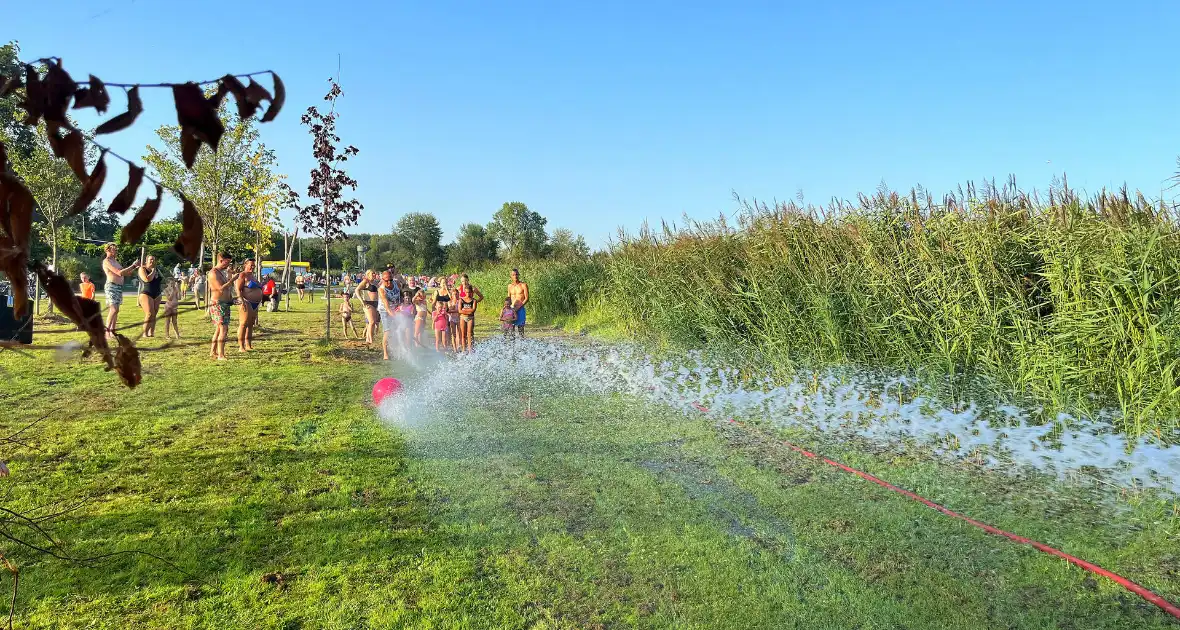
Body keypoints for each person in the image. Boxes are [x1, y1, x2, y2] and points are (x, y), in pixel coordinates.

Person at [101, 243, 140, 338]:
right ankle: (107, 332)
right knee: (113, 309)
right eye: (113, 249)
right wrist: (132, 265)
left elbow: (127, 273)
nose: (115, 251)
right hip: (111, 286)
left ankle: (112, 332)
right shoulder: (106, 261)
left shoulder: (116, 262)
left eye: (116, 249)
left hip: (118, 287)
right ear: (107, 250)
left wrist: (135, 267)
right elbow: (119, 273)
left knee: (116, 310)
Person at [207, 252, 241, 361]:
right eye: (227, 262)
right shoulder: (213, 273)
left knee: (219, 329)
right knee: (223, 329)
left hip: (225, 304)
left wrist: (232, 300)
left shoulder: (221, 272)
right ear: (221, 260)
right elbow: (220, 288)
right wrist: (232, 279)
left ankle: (213, 351)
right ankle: (221, 355)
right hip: (218, 304)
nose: (228, 265)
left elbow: (227, 288)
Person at [235, 259, 263, 352]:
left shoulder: (253, 276)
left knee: (251, 324)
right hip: (246, 301)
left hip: (255, 303)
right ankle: (241, 347)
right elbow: (238, 289)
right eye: (251, 265)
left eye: (254, 265)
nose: (253, 267)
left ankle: (248, 345)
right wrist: (241, 300)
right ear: (245, 265)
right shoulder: (242, 275)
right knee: (243, 324)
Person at [377, 269, 401, 361]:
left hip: (395, 307)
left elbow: (400, 296)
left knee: (397, 329)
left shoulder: (397, 284)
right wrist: (395, 317)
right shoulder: (382, 290)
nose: (389, 282)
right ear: (382, 280)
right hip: (384, 310)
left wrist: (400, 308)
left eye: (390, 280)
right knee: (387, 331)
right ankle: (385, 353)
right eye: (386, 280)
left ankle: (397, 348)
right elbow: (387, 307)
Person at [456, 273, 483, 352]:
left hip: (469, 310)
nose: (463, 283)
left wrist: (474, 303)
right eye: (462, 281)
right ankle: (461, 347)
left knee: (470, 332)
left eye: (465, 281)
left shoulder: (473, 288)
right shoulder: (459, 288)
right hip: (461, 311)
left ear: (468, 280)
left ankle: (471, 348)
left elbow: (481, 297)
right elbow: (454, 297)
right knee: (461, 331)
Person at [138, 255, 164, 338]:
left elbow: (162, 279)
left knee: (154, 314)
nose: (152, 261)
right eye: (150, 259)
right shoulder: (142, 269)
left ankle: (151, 332)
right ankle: (144, 333)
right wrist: (153, 271)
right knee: (149, 314)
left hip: (157, 294)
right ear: (146, 260)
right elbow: (147, 279)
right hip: (146, 293)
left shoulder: (157, 269)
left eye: (154, 260)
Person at [354, 269, 380, 346]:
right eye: (373, 273)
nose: (374, 275)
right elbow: (357, 290)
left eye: (375, 273)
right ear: (368, 274)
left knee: (372, 323)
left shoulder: (375, 282)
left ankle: (368, 339)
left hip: (376, 303)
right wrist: (362, 301)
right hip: (368, 303)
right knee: (371, 322)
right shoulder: (365, 281)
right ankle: (370, 339)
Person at [507, 268, 530, 337]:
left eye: (516, 274)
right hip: (512, 309)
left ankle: (522, 346)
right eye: (513, 275)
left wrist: (518, 307)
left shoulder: (523, 285)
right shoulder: (509, 286)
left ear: (518, 275)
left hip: (520, 309)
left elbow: (526, 298)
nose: (515, 276)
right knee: (511, 330)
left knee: (521, 330)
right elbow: (508, 298)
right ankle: (512, 346)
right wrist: (507, 309)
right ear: (511, 276)